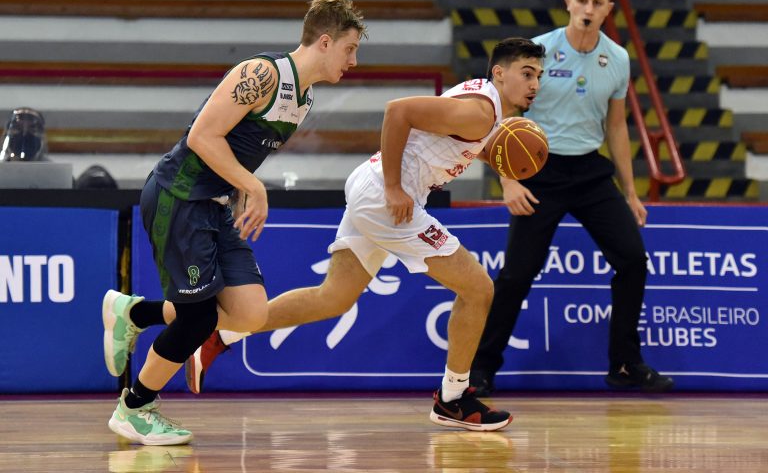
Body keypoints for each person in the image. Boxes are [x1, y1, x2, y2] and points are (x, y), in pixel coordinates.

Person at [185, 37, 546, 432]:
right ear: (500, 73)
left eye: (539, 77)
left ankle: (223, 332)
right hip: (386, 199)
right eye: (527, 73)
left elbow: (459, 141)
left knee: (332, 298)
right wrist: (393, 187)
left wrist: (502, 166)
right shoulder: (479, 111)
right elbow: (398, 112)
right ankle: (453, 398)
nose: (534, 84)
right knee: (478, 289)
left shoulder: (484, 108)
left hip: (372, 189)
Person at [102, 0, 367, 445]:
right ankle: (135, 407)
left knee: (249, 313)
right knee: (198, 319)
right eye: (350, 49)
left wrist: (241, 189)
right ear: (325, 42)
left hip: (214, 206)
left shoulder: (302, 100)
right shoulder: (262, 74)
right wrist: (254, 186)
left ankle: (133, 311)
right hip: (178, 196)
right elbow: (202, 136)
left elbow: (238, 152)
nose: (354, 62)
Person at [469, 0, 674, 395]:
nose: (588, 9)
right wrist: (508, 181)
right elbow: (503, 116)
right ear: (568, 3)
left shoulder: (618, 58)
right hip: (539, 171)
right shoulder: (539, 52)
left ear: (609, 10)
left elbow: (616, 126)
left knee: (633, 260)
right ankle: (481, 369)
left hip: (590, 171)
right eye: (581, 0)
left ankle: (624, 364)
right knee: (517, 274)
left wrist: (631, 192)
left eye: (597, 3)